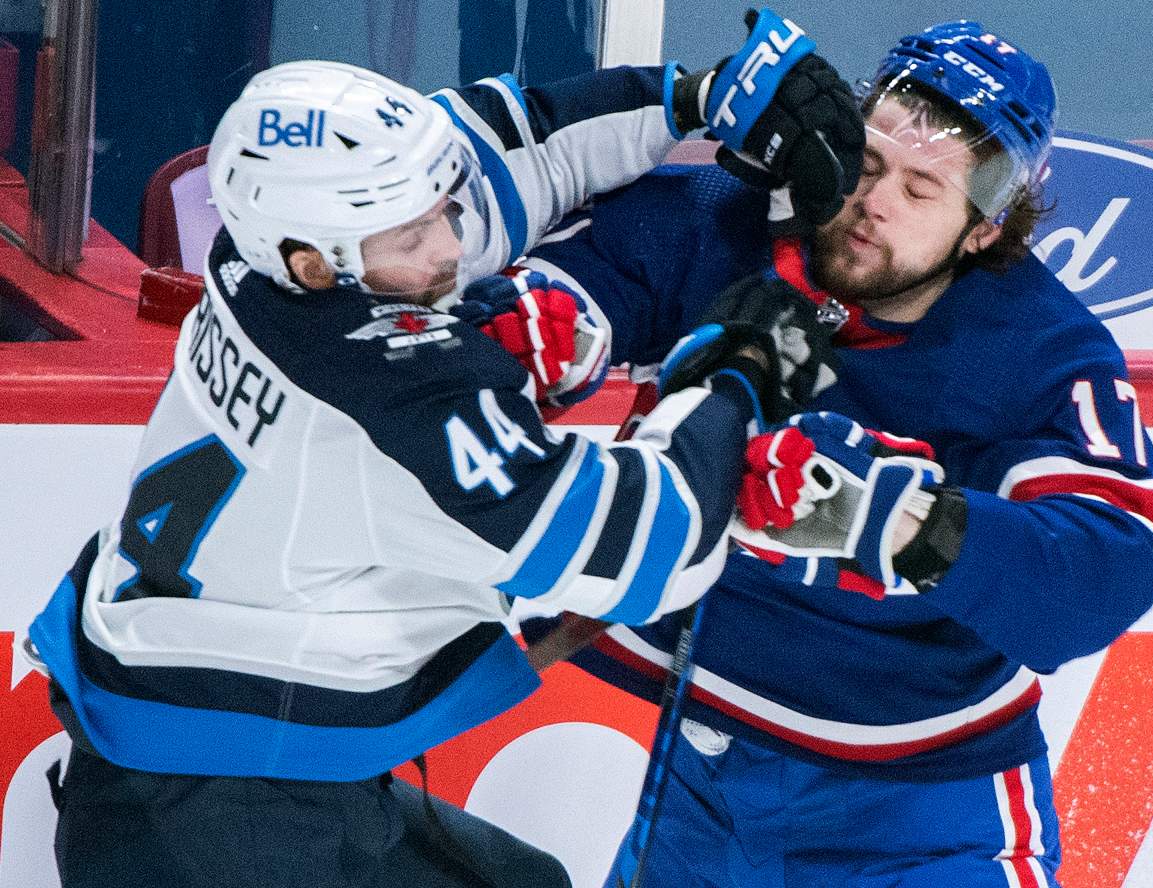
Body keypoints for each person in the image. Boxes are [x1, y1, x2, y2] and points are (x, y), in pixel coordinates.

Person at [23, 23, 866, 887]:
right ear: (315, 264)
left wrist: (697, 95)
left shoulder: (258, 247)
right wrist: (735, 376)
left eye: (441, 210)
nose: (450, 249)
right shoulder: (400, 407)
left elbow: (510, 145)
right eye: (408, 236)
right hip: (219, 827)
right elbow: (650, 548)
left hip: (202, 754)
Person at [516, 21, 1153, 888]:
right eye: (866, 164)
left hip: (924, 800)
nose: (874, 202)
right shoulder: (732, 221)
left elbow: (1114, 562)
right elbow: (581, 280)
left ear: (983, 229)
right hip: (691, 761)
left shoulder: (1037, 349)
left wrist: (902, 524)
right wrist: (529, 324)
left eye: (921, 188)